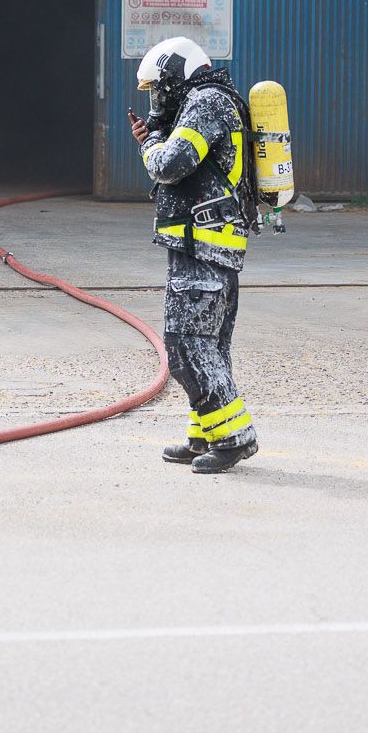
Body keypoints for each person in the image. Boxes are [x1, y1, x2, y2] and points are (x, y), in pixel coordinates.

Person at [127, 37, 259, 474]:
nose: (155, 99)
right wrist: (160, 133)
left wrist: (151, 142)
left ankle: (235, 438)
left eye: (156, 88)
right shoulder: (206, 101)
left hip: (205, 245)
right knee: (205, 345)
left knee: (186, 343)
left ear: (173, 76)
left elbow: (170, 165)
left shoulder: (206, 103)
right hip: (201, 243)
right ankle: (206, 433)